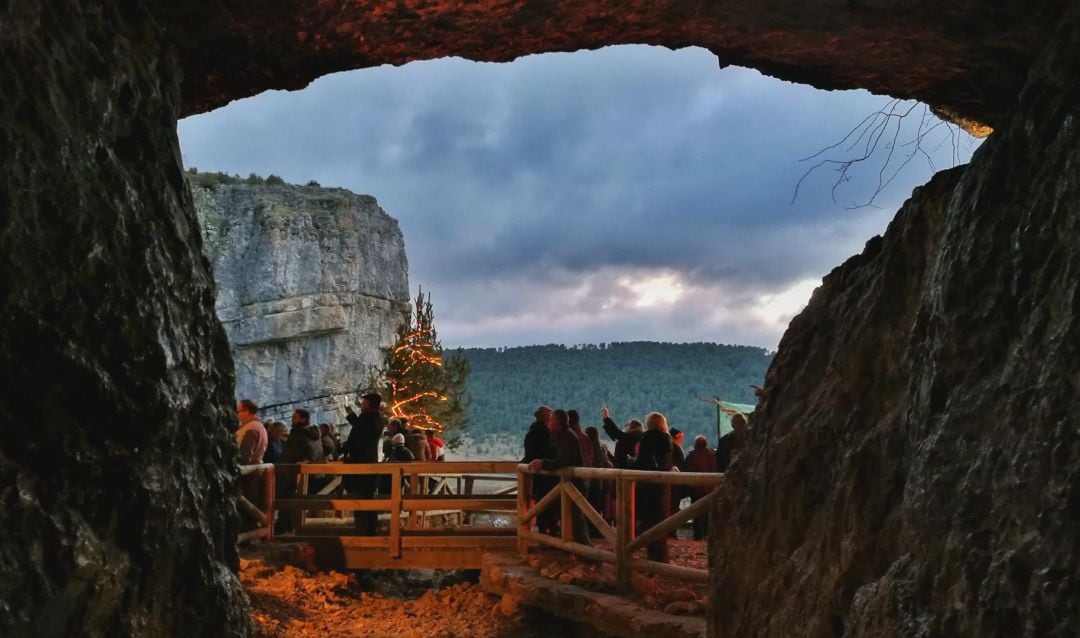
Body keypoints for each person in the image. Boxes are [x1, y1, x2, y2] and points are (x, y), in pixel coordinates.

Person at [528, 409, 591, 546]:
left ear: (559, 422)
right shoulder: (558, 436)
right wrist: (543, 461)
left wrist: (543, 463)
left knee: (576, 522)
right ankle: (575, 551)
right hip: (567, 484)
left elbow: (565, 460)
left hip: (574, 484)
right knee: (568, 519)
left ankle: (589, 554)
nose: (549, 422)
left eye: (551, 420)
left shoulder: (567, 437)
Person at [629, 411, 674, 562]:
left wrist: (630, 463)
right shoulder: (667, 438)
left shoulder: (646, 438)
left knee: (648, 521)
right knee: (659, 522)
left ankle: (651, 556)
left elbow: (642, 461)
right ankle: (662, 559)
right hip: (663, 485)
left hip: (647, 484)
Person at [343, 393, 385, 535]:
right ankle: (368, 529)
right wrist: (350, 413)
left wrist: (346, 447)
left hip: (362, 464)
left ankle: (364, 530)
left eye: (364, 401)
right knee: (367, 497)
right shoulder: (374, 418)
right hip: (368, 462)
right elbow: (360, 428)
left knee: (361, 498)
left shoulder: (369, 418)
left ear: (369, 403)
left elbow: (360, 434)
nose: (361, 403)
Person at [522, 406, 557, 535]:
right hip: (544, 473)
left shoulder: (533, 430)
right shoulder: (544, 432)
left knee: (540, 500)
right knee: (547, 501)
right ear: (545, 417)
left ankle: (543, 530)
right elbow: (548, 450)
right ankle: (548, 531)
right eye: (550, 416)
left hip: (537, 472)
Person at [685, 435, 718, 540]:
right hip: (708, 487)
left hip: (695, 488)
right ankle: (707, 533)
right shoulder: (711, 455)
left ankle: (698, 534)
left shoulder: (691, 456)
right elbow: (714, 470)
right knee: (708, 511)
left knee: (696, 512)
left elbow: (687, 471)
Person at [600, 404, 643, 468]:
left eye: (628, 424)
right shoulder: (639, 438)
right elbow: (616, 435)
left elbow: (616, 433)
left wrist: (606, 417)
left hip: (624, 468)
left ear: (633, 427)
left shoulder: (629, 438)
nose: (625, 425)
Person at [585, 426, 613, 523]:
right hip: (600, 482)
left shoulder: (586, 449)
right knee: (597, 506)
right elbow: (609, 463)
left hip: (587, 481)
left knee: (586, 505)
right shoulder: (601, 450)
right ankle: (599, 526)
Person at [235, 399, 267, 465]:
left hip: (247, 470)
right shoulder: (260, 426)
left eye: (238, 411)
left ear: (246, 411)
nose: (237, 414)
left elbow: (245, 455)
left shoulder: (251, 427)